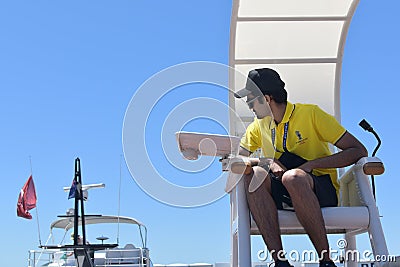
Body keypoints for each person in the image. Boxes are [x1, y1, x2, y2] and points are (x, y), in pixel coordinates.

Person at [233, 68, 368, 267]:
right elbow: (238, 159)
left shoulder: (311, 114)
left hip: (320, 190)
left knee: (293, 178)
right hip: (282, 194)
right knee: (254, 175)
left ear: (267, 98)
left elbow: (358, 150)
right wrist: (267, 161)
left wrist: (312, 165)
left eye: (250, 100)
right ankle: (280, 262)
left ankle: (326, 261)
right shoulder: (257, 126)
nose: (250, 107)